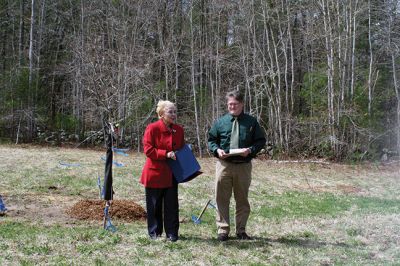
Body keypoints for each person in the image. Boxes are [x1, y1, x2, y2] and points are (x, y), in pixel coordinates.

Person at [208, 90, 266, 241]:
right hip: (224, 165)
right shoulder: (220, 122)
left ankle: (241, 230)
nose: (232, 106)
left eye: (235, 104)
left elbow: (260, 141)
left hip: (243, 166)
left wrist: (251, 150)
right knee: (221, 198)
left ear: (242, 104)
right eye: (229, 104)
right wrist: (217, 150)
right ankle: (223, 230)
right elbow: (211, 140)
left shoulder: (251, 122)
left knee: (242, 199)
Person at [140, 100, 184, 242]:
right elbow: (148, 150)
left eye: (175, 111)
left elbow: (181, 149)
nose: (173, 114)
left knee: (172, 205)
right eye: (170, 112)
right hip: (155, 173)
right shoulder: (152, 128)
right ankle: (154, 232)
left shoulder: (179, 130)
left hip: (172, 173)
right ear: (161, 114)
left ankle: (172, 233)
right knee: (154, 205)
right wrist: (165, 154)